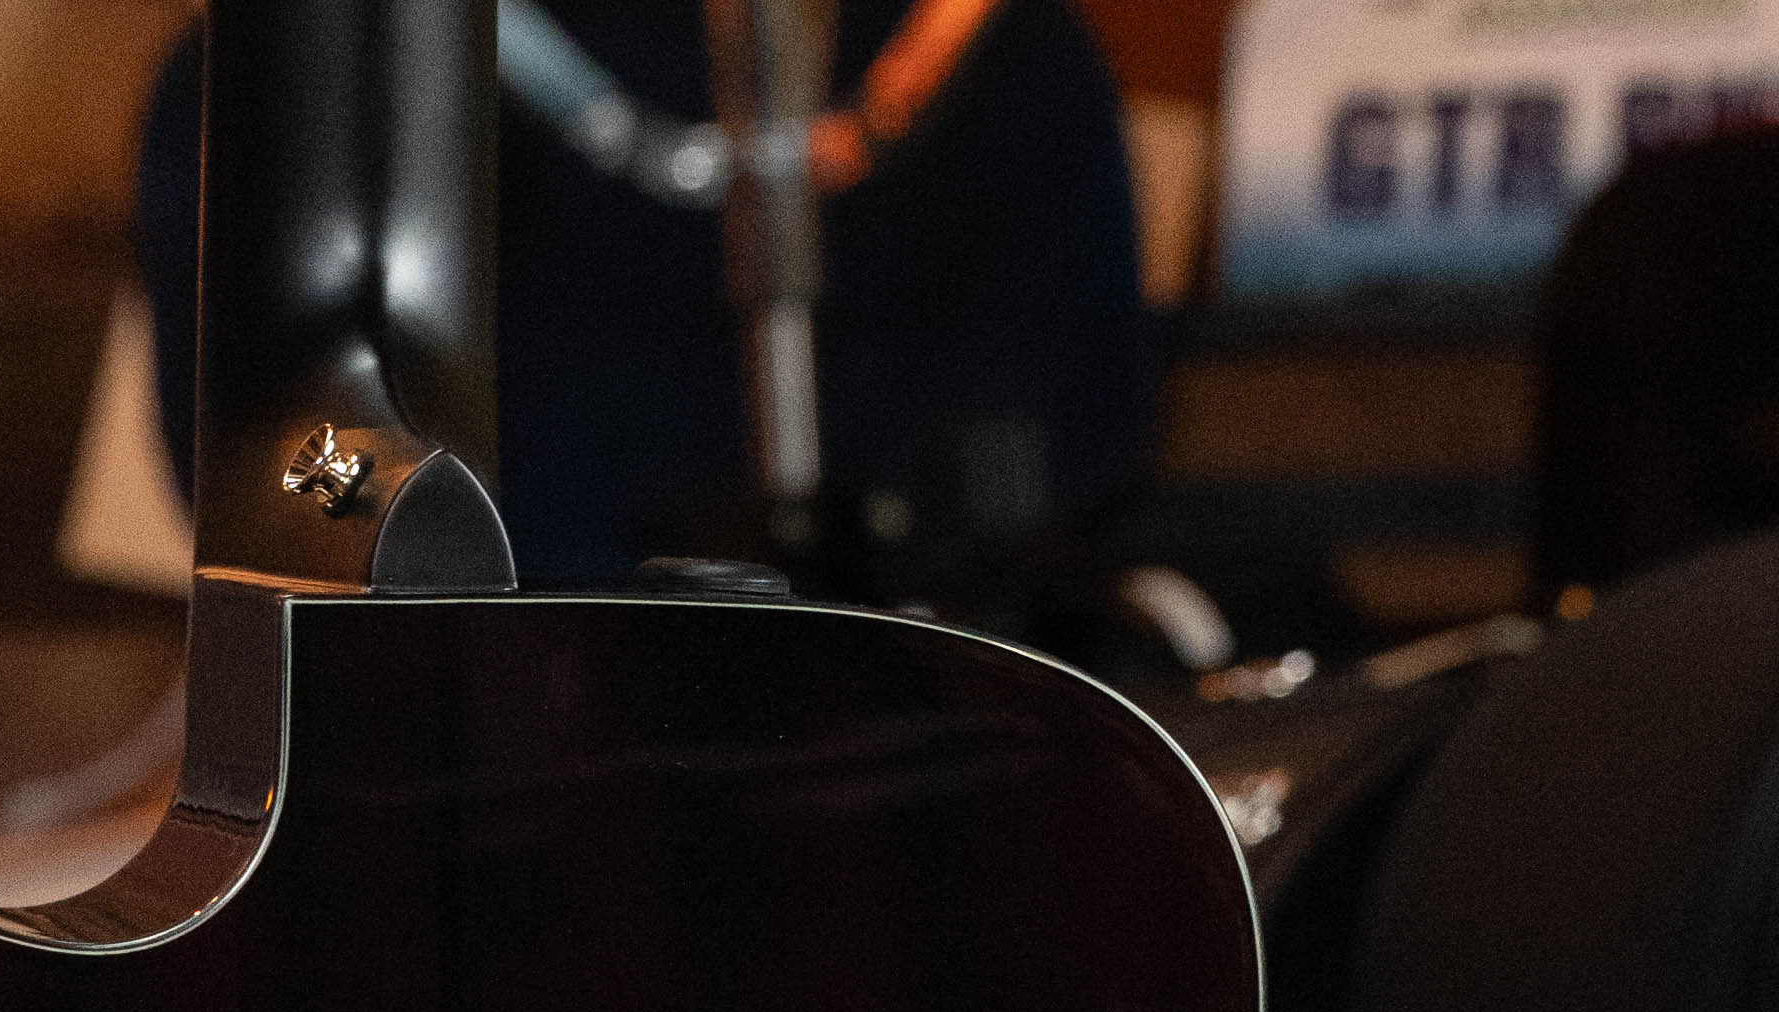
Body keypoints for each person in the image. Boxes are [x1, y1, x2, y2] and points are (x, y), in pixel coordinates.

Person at [132, 0, 1152, 591]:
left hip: (926, 722)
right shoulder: (309, 59)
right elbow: (275, 465)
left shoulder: (1002, 53)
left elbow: (1079, 434)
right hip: (482, 740)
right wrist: (410, 539)